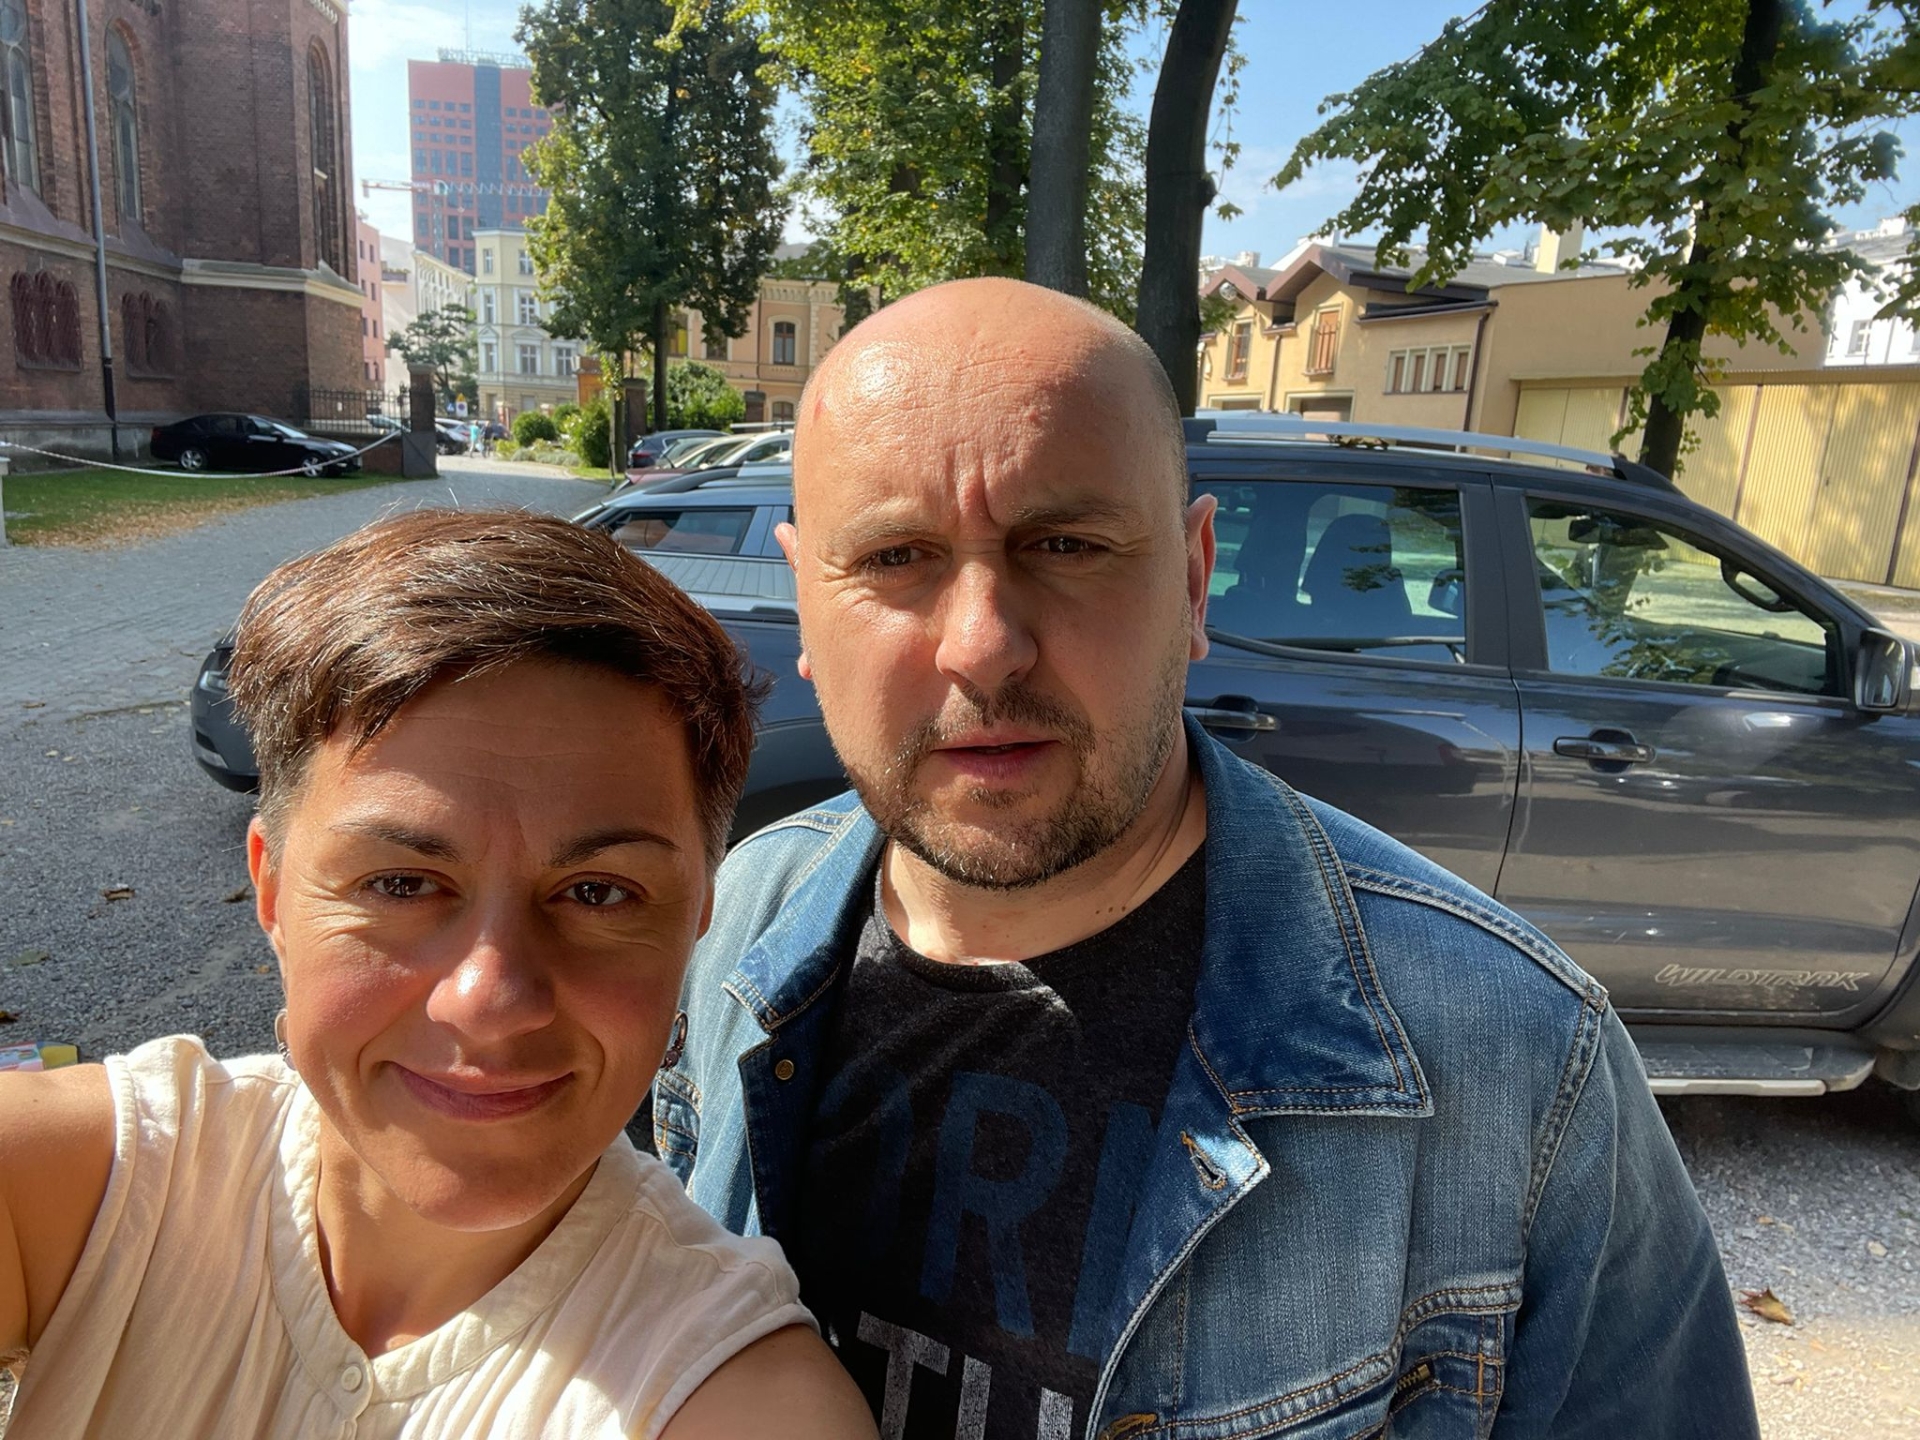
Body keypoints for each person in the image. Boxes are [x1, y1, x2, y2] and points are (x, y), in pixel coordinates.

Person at [658, 278, 1759, 1439]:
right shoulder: (724, 930)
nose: (982, 646)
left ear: (1191, 580)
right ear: (805, 602)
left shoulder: (1516, 1059)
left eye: (1065, 544)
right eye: (895, 557)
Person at [0, 510, 874, 1439]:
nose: (489, 1000)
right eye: (402, 883)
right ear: (273, 892)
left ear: (697, 919)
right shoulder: (93, 1184)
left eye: (598, 893)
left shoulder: (743, 1397)